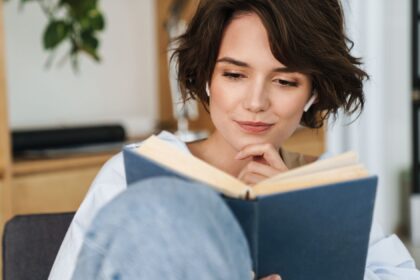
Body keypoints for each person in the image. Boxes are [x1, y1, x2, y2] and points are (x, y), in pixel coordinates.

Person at [49, 0, 420, 279]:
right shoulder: (130, 177)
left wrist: (298, 224)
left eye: (285, 81)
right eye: (234, 74)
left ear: (313, 93)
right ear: (208, 77)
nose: (256, 103)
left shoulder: (326, 190)